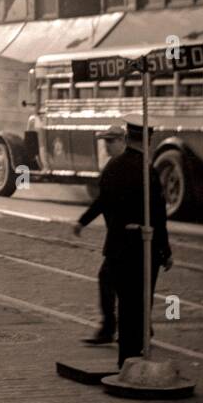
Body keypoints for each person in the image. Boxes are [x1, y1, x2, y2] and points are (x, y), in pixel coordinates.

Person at [73, 116, 173, 365]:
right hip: (142, 247)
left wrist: (83, 221)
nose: (106, 145)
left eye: (110, 141)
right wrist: (165, 249)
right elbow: (158, 215)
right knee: (140, 301)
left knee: (127, 303)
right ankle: (134, 354)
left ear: (126, 138)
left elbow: (103, 201)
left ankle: (124, 355)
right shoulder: (146, 170)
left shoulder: (112, 168)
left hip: (117, 247)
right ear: (149, 140)